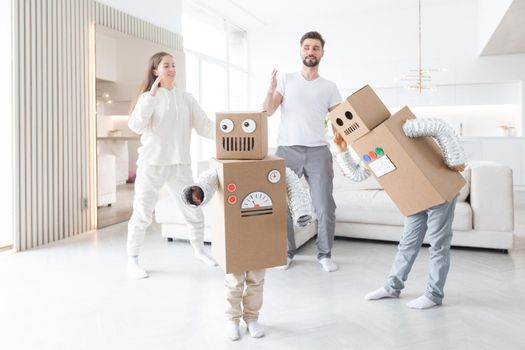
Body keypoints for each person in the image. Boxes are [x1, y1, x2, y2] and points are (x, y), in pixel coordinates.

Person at [333, 130, 465, 309]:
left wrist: (455, 158)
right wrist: (342, 149)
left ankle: (434, 295)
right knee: (407, 244)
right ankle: (392, 287)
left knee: (438, 245)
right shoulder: (373, 146)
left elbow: (440, 130)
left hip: (438, 192)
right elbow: (358, 175)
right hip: (413, 196)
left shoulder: (404, 128)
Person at [126, 51, 217, 278]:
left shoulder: (186, 98)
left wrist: (231, 132)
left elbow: (206, 126)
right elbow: (136, 126)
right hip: (152, 164)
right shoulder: (148, 98)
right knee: (142, 213)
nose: (172, 69)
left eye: (174, 65)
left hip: (180, 165)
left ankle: (199, 251)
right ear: (156, 71)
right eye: (166, 65)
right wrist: (151, 96)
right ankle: (133, 260)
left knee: (193, 209)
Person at [263, 31, 341, 272]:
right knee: (280, 202)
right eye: (307, 47)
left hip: (318, 151)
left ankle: (325, 254)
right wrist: (270, 88)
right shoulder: (286, 80)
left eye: (315, 48)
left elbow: (340, 121)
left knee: (324, 205)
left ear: (322, 53)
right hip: (287, 150)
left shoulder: (329, 87)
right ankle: (287, 252)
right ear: (300, 50)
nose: (310, 52)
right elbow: (267, 111)